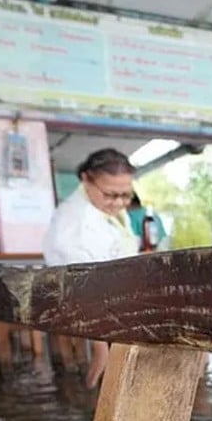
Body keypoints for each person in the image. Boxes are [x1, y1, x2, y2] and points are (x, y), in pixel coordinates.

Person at [43, 148, 141, 389]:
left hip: (116, 304)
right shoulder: (75, 222)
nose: (119, 202)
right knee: (102, 381)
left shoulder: (106, 209)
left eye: (126, 195)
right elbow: (80, 284)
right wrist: (100, 345)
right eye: (110, 194)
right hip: (88, 312)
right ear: (86, 179)